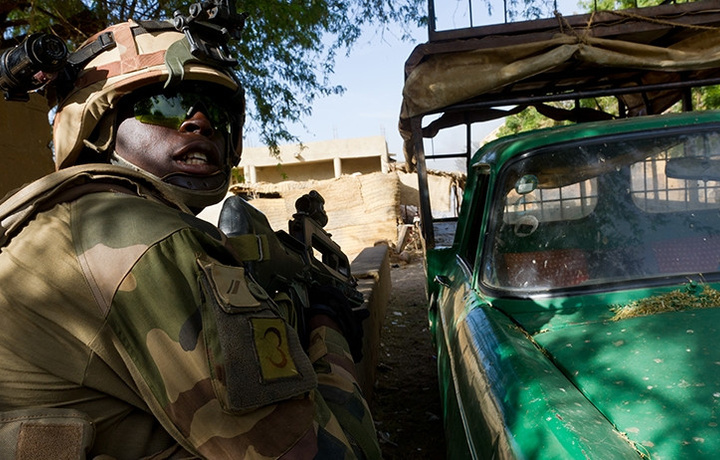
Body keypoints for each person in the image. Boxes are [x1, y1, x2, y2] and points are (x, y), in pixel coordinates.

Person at [0, 14, 381, 460]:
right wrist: (326, 329)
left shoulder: (53, 219)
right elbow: (323, 454)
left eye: (215, 114)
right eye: (164, 106)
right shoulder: (145, 238)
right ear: (100, 125)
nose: (199, 123)